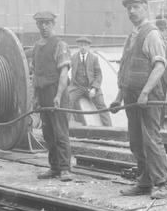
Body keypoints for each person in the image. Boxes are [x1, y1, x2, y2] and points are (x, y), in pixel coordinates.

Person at [110, 0, 167, 199]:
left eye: (136, 7)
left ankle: (163, 183)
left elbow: (160, 66)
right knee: (136, 140)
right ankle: (145, 181)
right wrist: (118, 97)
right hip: (131, 95)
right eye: (129, 8)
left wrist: (145, 92)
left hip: (149, 96)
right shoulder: (132, 36)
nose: (132, 11)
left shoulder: (151, 34)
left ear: (145, 8)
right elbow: (126, 70)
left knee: (151, 139)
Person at [31, 11, 72, 182]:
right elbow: (35, 74)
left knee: (60, 133)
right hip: (42, 93)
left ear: (53, 24)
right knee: (48, 133)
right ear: (37, 25)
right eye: (40, 23)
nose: (44, 26)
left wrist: (58, 95)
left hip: (56, 92)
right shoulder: (36, 46)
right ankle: (54, 167)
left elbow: (63, 72)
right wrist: (34, 98)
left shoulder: (59, 45)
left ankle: (65, 169)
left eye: (47, 23)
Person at [68, 36, 112, 127]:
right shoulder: (73, 57)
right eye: (81, 45)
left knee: (101, 106)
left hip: (90, 87)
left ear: (89, 47)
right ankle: (65, 126)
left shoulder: (94, 58)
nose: (83, 47)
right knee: (67, 101)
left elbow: (99, 75)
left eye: (85, 45)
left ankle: (109, 128)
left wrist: (94, 88)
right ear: (78, 46)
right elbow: (66, 70)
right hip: (77, 87)